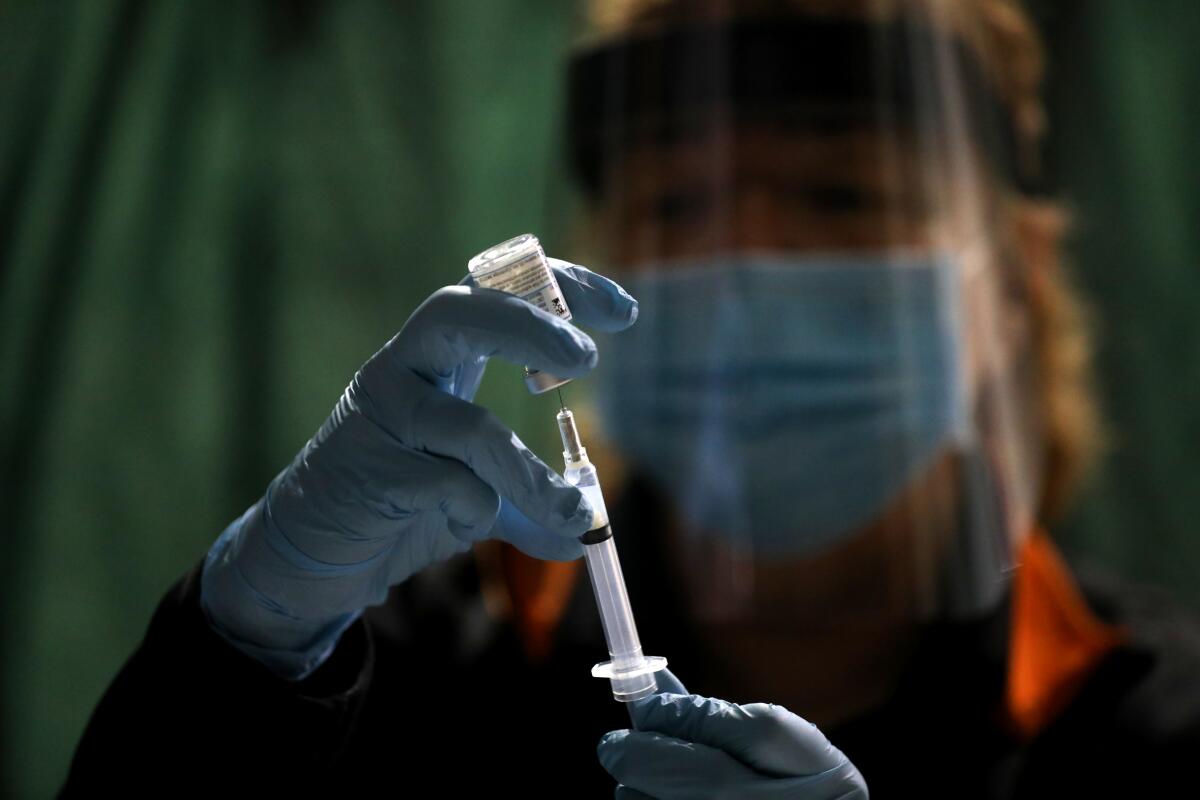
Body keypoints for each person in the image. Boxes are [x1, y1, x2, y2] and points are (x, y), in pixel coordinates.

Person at [63, 0, 1200, 796]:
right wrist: (237, 659)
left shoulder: (1154, 725)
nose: (752, 258)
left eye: (846, 194)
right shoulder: (399, 681)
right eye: (681, 204)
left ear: (1015, 282)